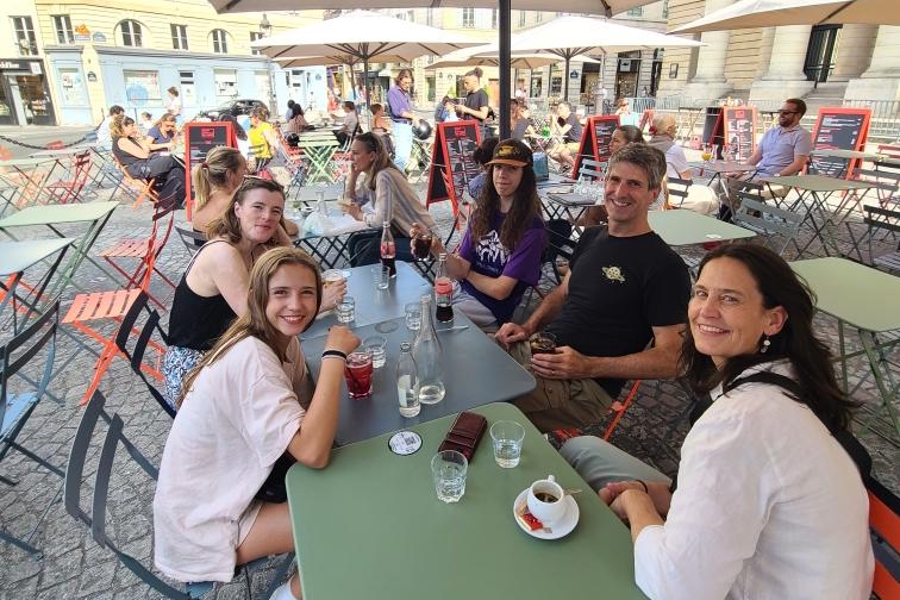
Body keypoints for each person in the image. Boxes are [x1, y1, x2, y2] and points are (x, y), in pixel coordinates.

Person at [561, 244, 874, 599]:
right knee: (581, 448)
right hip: (785, 559)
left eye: (730, 299)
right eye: (701, 293)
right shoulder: (795, 377)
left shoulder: (739, 423)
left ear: (774, 319)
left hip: (744, 586)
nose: (706, 311)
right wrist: (646, 490)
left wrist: (637, 503)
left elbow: (675, 588)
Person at [154, 246, 360, 600]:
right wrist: (334, 355)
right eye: (281, 293)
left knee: (351, 480)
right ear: (256, 297)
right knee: (349, 517)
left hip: (242, 483)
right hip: (205, 520)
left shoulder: (280, 340)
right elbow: (312, 452)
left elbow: (308, 413)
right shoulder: (252, 357)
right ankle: (289, 595)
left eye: (306, 293)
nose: (295, 305)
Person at [495, 143, 691, 433]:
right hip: (539, 350)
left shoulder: (664, 266)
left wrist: (589, 365)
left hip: (584, 386)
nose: (620, 192)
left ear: (653, 194)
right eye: (614, 180)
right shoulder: (591, 236)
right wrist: (528, 327)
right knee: (463, 360)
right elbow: (562, 294)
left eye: (634, 184)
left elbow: (674, 359)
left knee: (483, 402)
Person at [163, 178, 344, 406]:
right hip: (197, 368)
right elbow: (257, 320)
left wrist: (271, 225)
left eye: (275, 211)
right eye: (258, 207)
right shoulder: (223, 253)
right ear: (237, 208)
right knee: (296, 352)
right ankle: (307, 422)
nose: (267, 215)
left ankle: (310, 415)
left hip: (233, 350)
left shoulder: (255, 250)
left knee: (295, 351)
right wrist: (320, 304)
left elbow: (298, 268)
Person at [412, 139, 546, 330]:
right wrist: (436, 247)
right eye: (498, 167)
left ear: (525, 176)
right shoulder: (483, 213)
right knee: (416, 310)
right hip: (460, 291)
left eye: (512, 169)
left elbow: (500, 291)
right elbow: (458, 269)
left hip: (489, 308)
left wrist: (466, 274)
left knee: (431, 322)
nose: (502, 174)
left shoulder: (532, 228)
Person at [341, 132, 438, 266]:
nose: (351, 157)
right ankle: (368, 283)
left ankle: (378, 284)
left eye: (356, 153)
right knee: (355, 241)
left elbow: (382, 220)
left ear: (372, 156)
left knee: (364, 249)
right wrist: (353, 176)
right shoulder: (374, 175)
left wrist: (359, 215)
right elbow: (351, 202)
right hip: (405, 234)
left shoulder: (384, 176)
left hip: (426, 240)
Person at [714, 98, 812, 213]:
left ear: (798, 115)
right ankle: (745, 213)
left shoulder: (802, 135)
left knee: (747, 194)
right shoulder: (771, 132)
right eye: (780, 111)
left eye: (786, 112)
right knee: (720, 185)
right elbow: (756, 157)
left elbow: (798, 164)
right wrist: (740, 171)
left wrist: (776, 176)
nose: (781, 115)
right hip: (757, 175)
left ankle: (737, 216)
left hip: (779, 181)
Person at [110, 115, 185, 208]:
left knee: (176, 170)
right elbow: (144, 154)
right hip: (138, 168)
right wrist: (141, 139)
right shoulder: (121, 141)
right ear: (123, 127)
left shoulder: (129, 138)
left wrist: (139, 138)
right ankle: (176, 194)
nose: (134, 128)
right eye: (132, 126)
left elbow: (146, 150)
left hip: (143, 164)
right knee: (172, 160)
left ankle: (173, 199)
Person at [579, 125, 644, 227]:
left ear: (630, 144)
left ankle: (582, 227)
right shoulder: (615, 159)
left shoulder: (637, 164)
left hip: (643, 211)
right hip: (626, 204)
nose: (610, 144)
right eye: (611, 140)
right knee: (592, 210)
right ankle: (593, 239)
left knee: (595, 207)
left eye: (616, 141)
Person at [387, 69, 416, 172]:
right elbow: (397, 111)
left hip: (407, 126)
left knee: (405, 157)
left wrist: (414, 116)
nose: (407, 85)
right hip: (400, 126)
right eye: (405, 82)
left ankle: (399, 179)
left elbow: (408, 110)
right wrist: (413, 116)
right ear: (399, 80)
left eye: (409, 83)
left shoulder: (406, 94)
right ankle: (396, 182)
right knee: (401, 157)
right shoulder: (393, 92)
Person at [453, 68, 490, 138]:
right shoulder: (469, 94)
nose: (464, 85)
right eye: (464, 82)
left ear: (475, 81)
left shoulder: (482, 94)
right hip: (468, 130)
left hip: (477, 132)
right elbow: (467, 114)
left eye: (467, 83)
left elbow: (483, 115)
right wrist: (459, 111)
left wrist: (466, 109)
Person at [548, 101, 583, 172]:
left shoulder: (571, 117)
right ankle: (565, 165)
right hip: (566, 143)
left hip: (577, 143)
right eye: (558, 108)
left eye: (560, 108)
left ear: (567, 109)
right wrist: (552, 121)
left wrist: (555, 122)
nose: (558, 110)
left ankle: (577, 169)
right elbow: (552, 132)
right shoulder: (561, 118)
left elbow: (562, 132)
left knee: (563, 154)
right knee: (550, 152)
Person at [247, 106, 278, 173]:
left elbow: (274, 144)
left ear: (257, 118)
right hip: (255, 161)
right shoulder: (251, 130)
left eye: (250, 117)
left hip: (265, 161)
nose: (249, 119)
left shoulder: (266, 127)